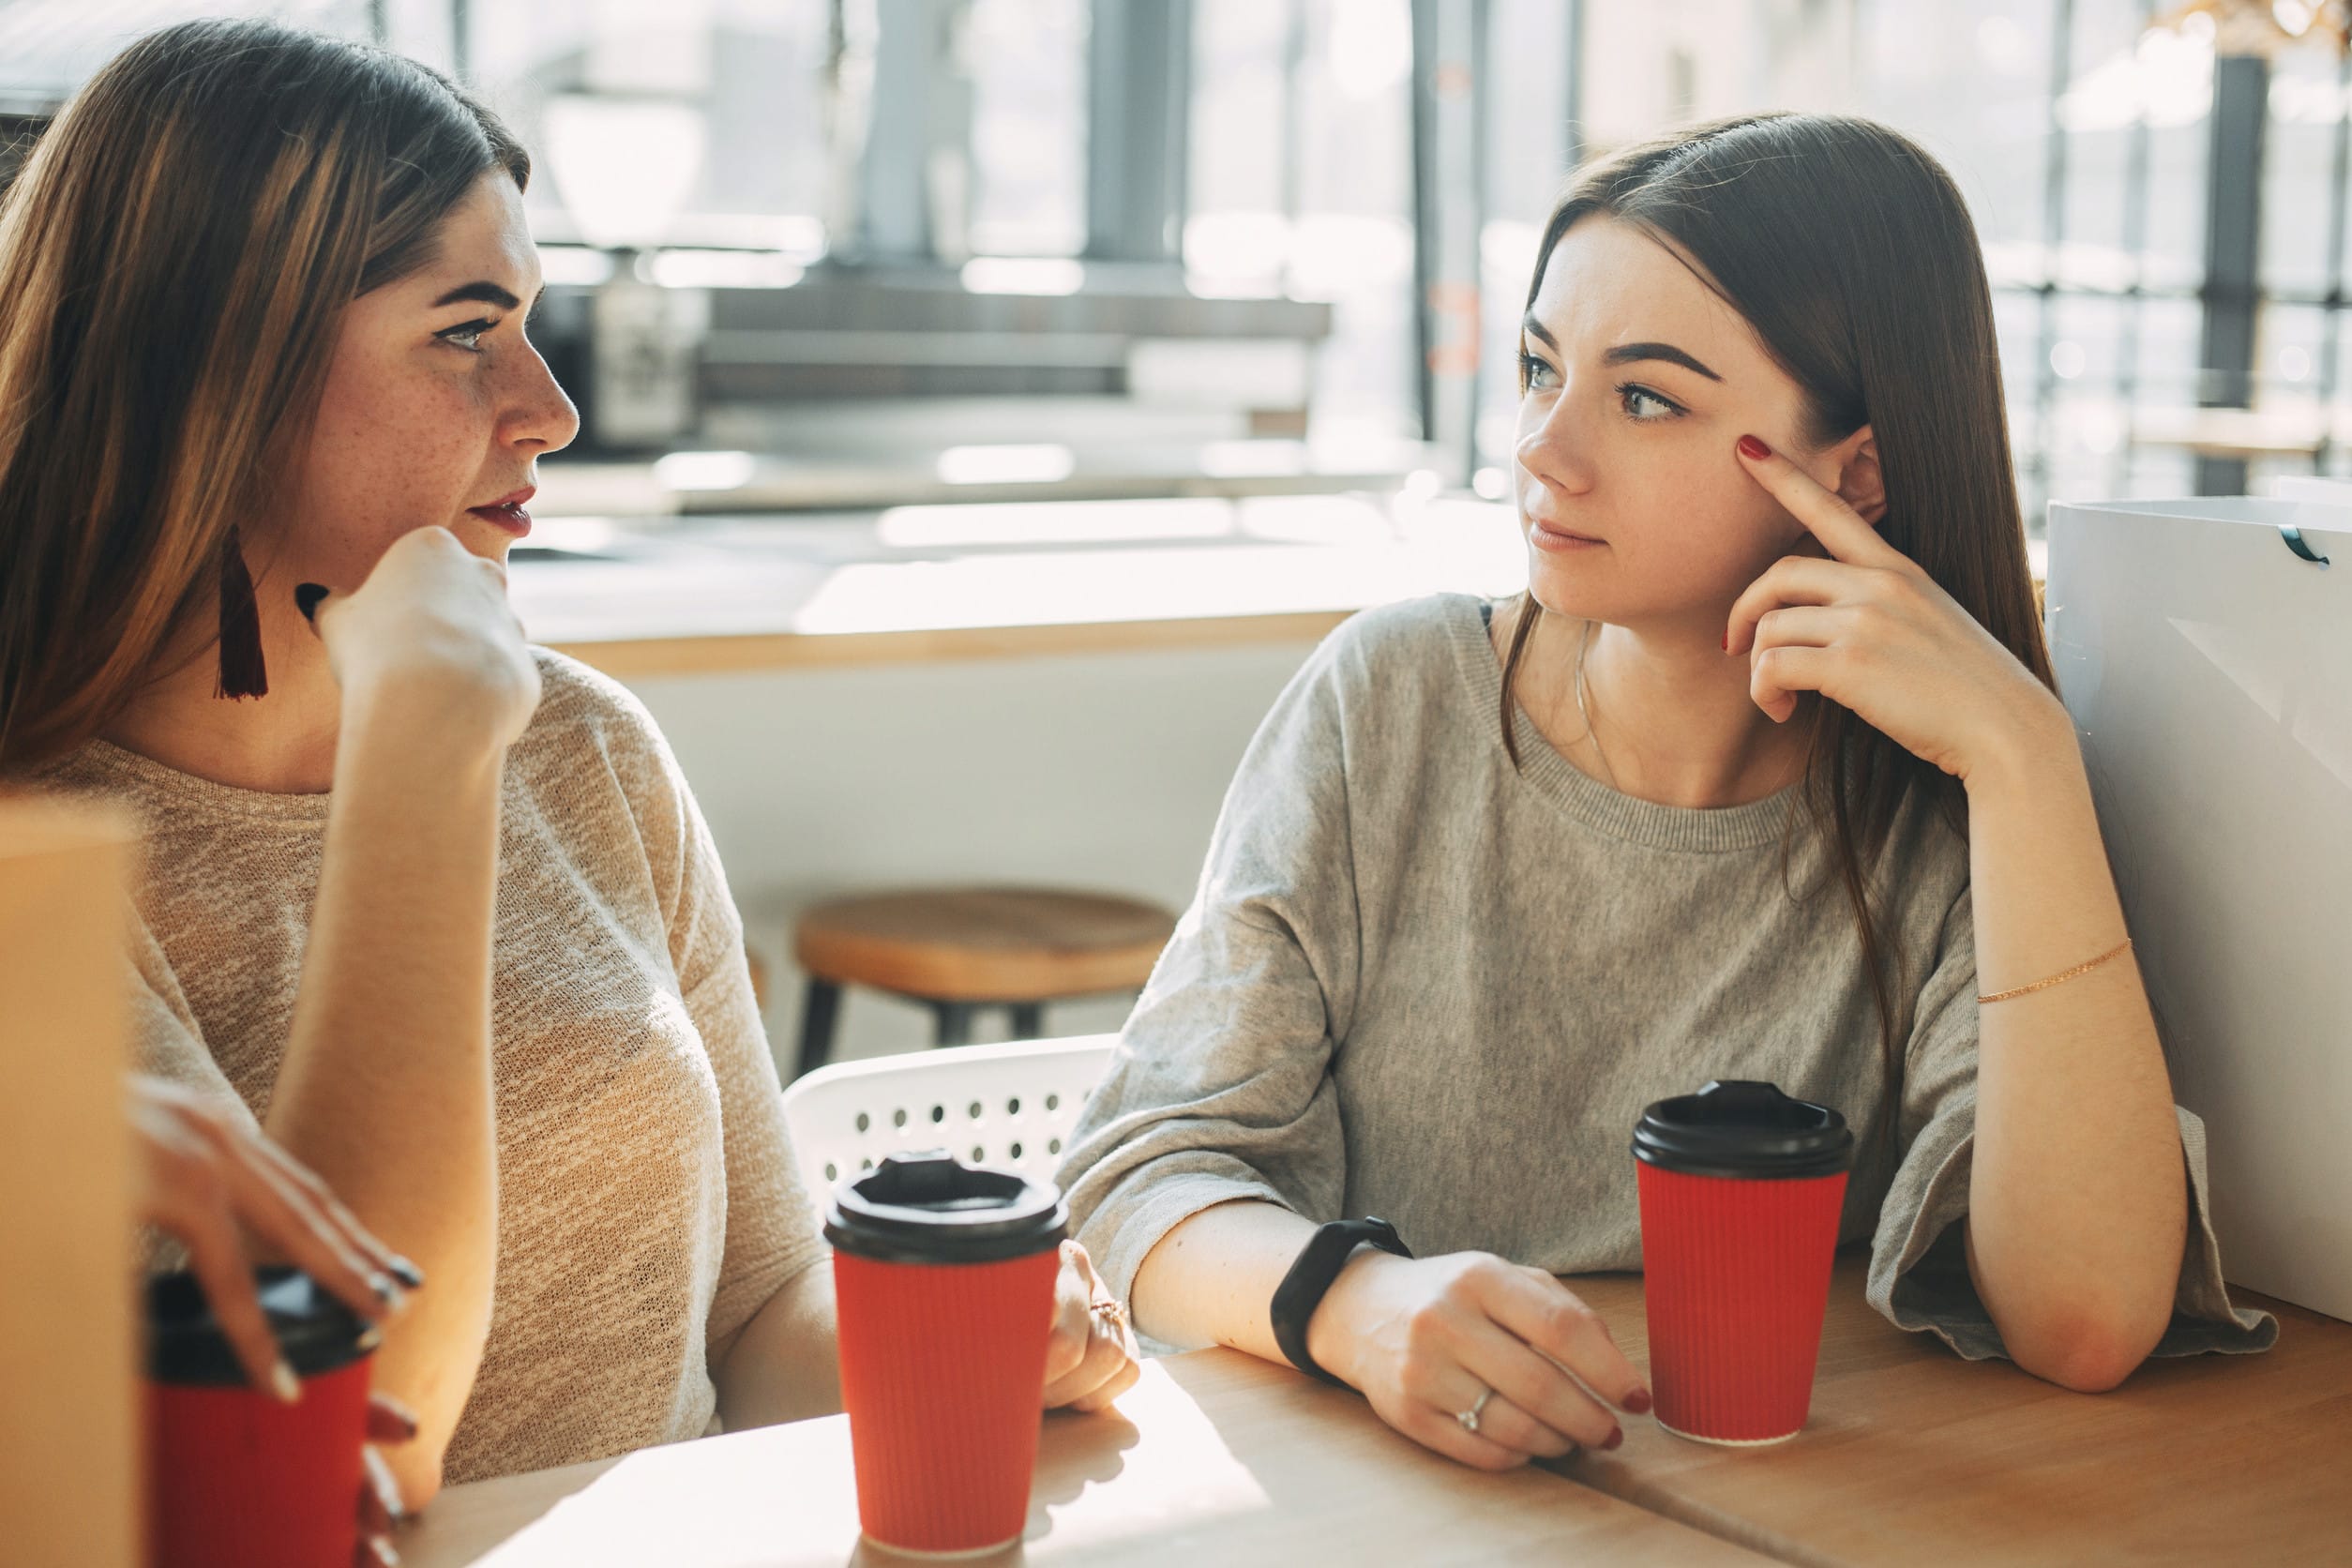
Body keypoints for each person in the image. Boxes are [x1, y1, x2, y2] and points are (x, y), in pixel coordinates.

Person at [2, 19, 1138, 1513]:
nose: (551, 405)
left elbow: (757, 1313)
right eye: (466, 330)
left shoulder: (584, 746)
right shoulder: (44, 867)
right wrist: (423, 746)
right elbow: (353, 1448)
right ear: (218, 362)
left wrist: (952, 1341)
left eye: (531, 323)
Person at [1055, 113, 2273, 1473]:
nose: (1542, 452)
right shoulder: (1389, 702)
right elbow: (1135, 1179)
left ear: (1853, 471)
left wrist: (2027, 762)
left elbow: (2086, 1322)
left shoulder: (1954, 801)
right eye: (1539, 369)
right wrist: (1359, 1304)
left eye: (1645, 399)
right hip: (1390, 1495)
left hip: (1787, 1503)